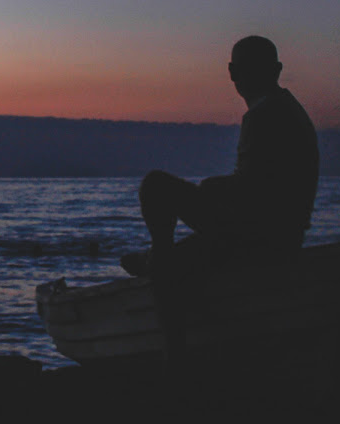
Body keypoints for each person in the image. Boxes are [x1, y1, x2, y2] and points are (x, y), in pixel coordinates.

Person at [120, 35, 319, 365]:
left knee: (156, 185)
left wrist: (215, 188)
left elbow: (254, 192)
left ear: (232, 72)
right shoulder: (286, 110)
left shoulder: (268, 114)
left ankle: (160, 267)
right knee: (177, 258)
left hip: (260, 235)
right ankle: (161, 260)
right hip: (276, 234)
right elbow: (262, 185)